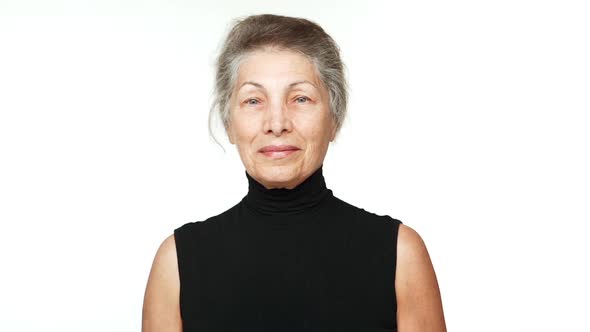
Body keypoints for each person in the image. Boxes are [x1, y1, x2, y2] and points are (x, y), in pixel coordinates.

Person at [142, 13, 446, 332]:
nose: (277, 123)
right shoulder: (177, 261)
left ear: (335, 118)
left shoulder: (400, 254)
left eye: (300, 98)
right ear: (229, 123)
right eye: (253, 100)